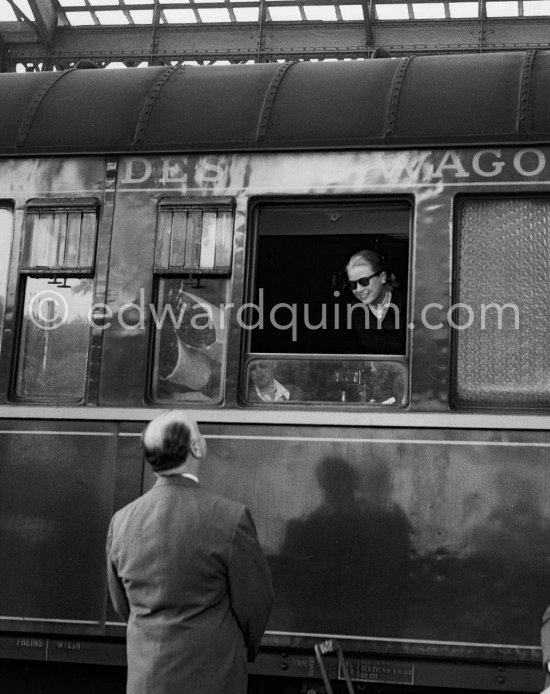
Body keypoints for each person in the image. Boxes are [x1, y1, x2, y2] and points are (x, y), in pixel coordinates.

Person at [106, 411, 274, 694]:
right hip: (214, 677)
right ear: (196, 448)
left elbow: (122, 605)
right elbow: (257, 602)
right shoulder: (230, 518)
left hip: (147, 681)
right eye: (200, 432)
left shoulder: (121, 521)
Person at [345, 249, 406, 354]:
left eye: (364, 281)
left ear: (382, 277)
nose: (359, 289)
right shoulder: (354, 311)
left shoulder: (408, 304)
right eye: (353, 284)